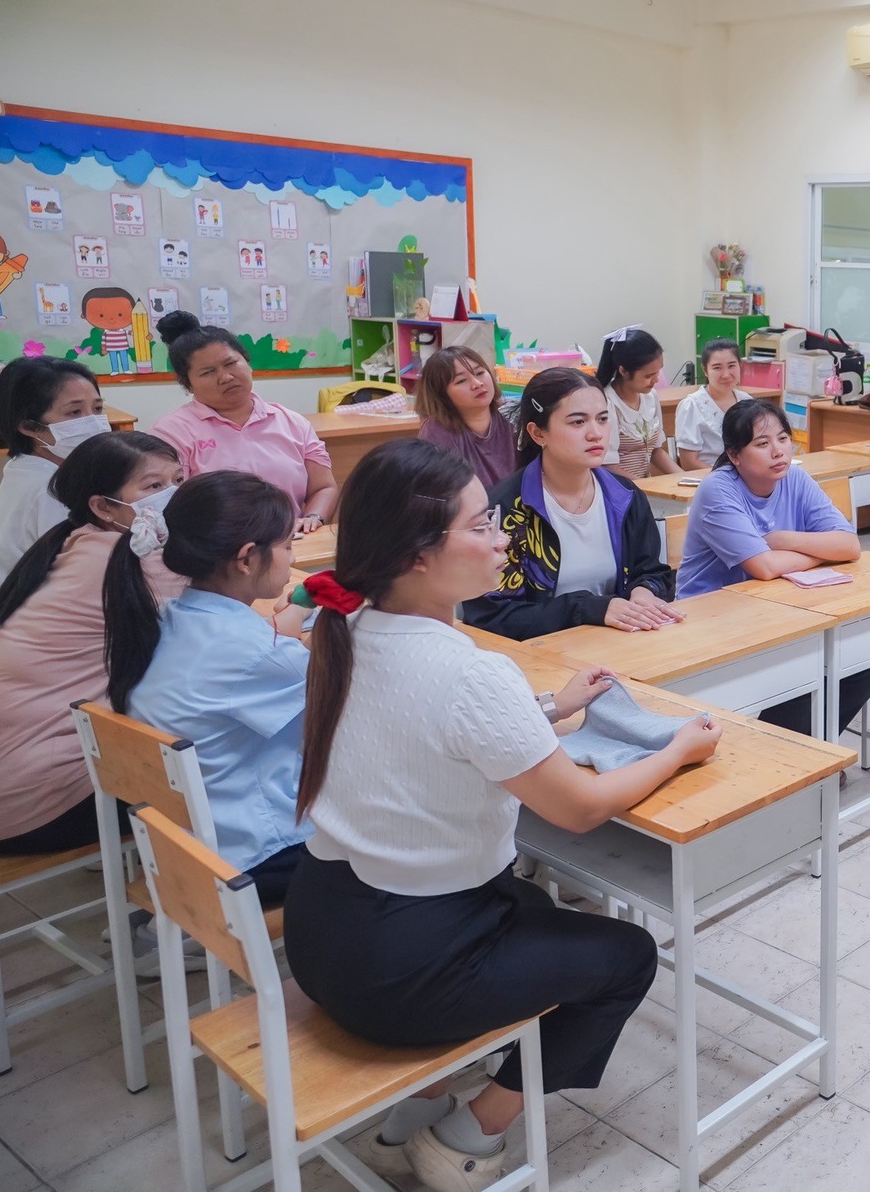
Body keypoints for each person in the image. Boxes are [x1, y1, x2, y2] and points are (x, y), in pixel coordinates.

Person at [282, 438, 719, 1191]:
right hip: (401, 966)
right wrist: (678, 749)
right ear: (419, 554)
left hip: (322, 929)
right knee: (627, 955)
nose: (503, 536)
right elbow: (579, 808)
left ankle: (414, 1103)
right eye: (483, 525)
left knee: (532, 900)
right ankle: (468, 1131)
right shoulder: (469, 669)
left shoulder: (345, 628)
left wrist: (549, 706)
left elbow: (437, 728)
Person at [118, 471, 310, 906]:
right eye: (286, 545)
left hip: (183, 844)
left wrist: (298, 614)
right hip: (255, 854)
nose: (289, 556)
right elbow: (341, 714)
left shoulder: (170, 617)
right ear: (246, 558)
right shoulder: (254, 653)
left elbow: (258, 655)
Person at [0, 432, 184, 854]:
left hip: (13, 779)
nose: (174, 494)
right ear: (102, 506)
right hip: (30, 806)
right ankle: (175, 906)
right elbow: (233, 633)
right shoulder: (137, 562)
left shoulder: (74, 541)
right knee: (211, 770)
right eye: (155, 487)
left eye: (179, 479)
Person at [676, 399, 870, 736]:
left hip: (774, 610)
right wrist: (819, 550)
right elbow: (763, 566)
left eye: (783, 439)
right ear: (734, 455)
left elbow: (849, 546)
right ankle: (788, 749)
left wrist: (782, 538)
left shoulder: (795, 478)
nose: (778, 451)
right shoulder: (718, 489)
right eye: (762, 443)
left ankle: (809, 747)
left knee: (868, 657)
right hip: (711, 620)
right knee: (798, 663)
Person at [464, 366, 682, 641]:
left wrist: (644, 592)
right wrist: (587, 608)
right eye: (578, 422)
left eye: (602, 419)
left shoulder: (624, 495)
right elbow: (492, 616)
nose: (596, 433)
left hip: (621, 646)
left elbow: (650, 570)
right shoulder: (505, 512)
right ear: (538, 433)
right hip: (538, 660)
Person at [150, 311, 336, 534]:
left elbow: (323, 487)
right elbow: (172, 509)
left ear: (247, 363)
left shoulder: (293, 422)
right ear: (188, 384)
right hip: (216, 554)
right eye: (208, 372)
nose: (226, 377)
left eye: (231, 363)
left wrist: (313, 518)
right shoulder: (170, 434)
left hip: (291, 543)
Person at [0, 357, 108, 579]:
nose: (95, 423)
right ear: (29, 426)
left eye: (97, 408)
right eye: (74, 412)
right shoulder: (49, 490)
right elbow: (79, 573)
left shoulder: (26, 465)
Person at [413, 345, 516, 490]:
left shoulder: (512, 412)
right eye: (461, 381)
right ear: (441, 395)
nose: (477, 384)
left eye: (480, 372)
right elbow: (445, 492)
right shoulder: (437, 430)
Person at [595, 325, 678, 481]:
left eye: (658, 371)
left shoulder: (650, 396)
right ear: (624, 371)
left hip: (643, 488)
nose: (656, 380)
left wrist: (683, 477)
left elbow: (655, 451)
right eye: (649, 375)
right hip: (619, 491)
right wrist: (645, 488)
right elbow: (608, 466)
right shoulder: (607, 404)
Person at [672, 337, 744, 471]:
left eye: (732, 365)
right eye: (717, 368)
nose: (726, 374)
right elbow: (689, 463)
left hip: (746, 480)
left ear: (740, 365)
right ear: (705, 370)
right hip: (710, 480)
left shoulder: (748, 402)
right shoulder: (691, 406)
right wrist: (728, 477)